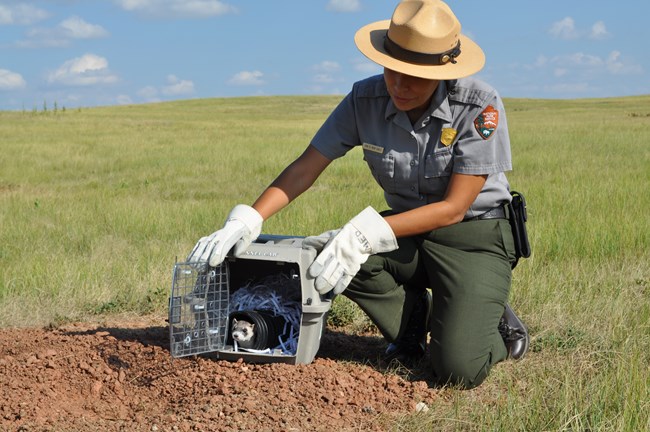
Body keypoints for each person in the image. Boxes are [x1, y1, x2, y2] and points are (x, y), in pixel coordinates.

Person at [187, 0, 529, 389]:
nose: (399, 85)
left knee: (459, 368)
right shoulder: (364, 99)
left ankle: (495, 326)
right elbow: (307, 166)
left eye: (414, 77)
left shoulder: (478, 105)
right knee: (330, 255)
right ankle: (413, 328)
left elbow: (453, 209)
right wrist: (251, 217)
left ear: (442, 72)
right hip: (407, 231)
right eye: (392, 71)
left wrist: (365, 234)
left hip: (473, 239)